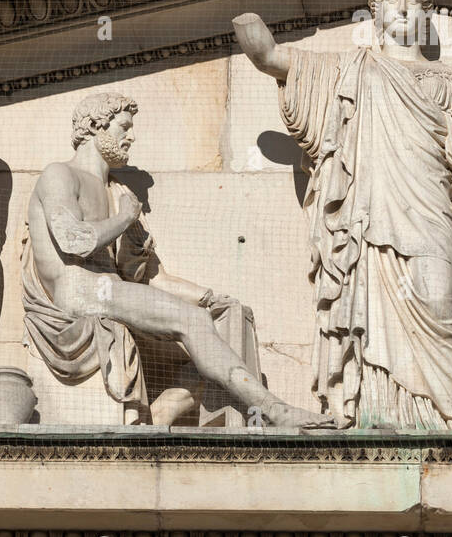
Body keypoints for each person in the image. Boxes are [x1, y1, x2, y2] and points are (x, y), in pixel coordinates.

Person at [233, 0, 452, 430]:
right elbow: (277, 62)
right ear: (375, 10)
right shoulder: (351, 68)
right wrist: (257, 41)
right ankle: (379, 414)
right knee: (370, 308)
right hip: (369, 219)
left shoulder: (451, 82)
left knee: (437, 303)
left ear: (426, 12)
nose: (403, 7)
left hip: (430, 219)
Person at [24, 91, 333, 430]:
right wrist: (125, 219)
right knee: (191, 321)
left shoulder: (116, 194)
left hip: (109, 292)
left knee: (216, 331)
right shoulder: (60, 175)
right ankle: (275, 409)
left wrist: (209, 297)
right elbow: (74, 241)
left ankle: (159, 415)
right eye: (123, 127)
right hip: (80, 292)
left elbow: (150, 278)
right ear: (96, 126)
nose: (132, 136)